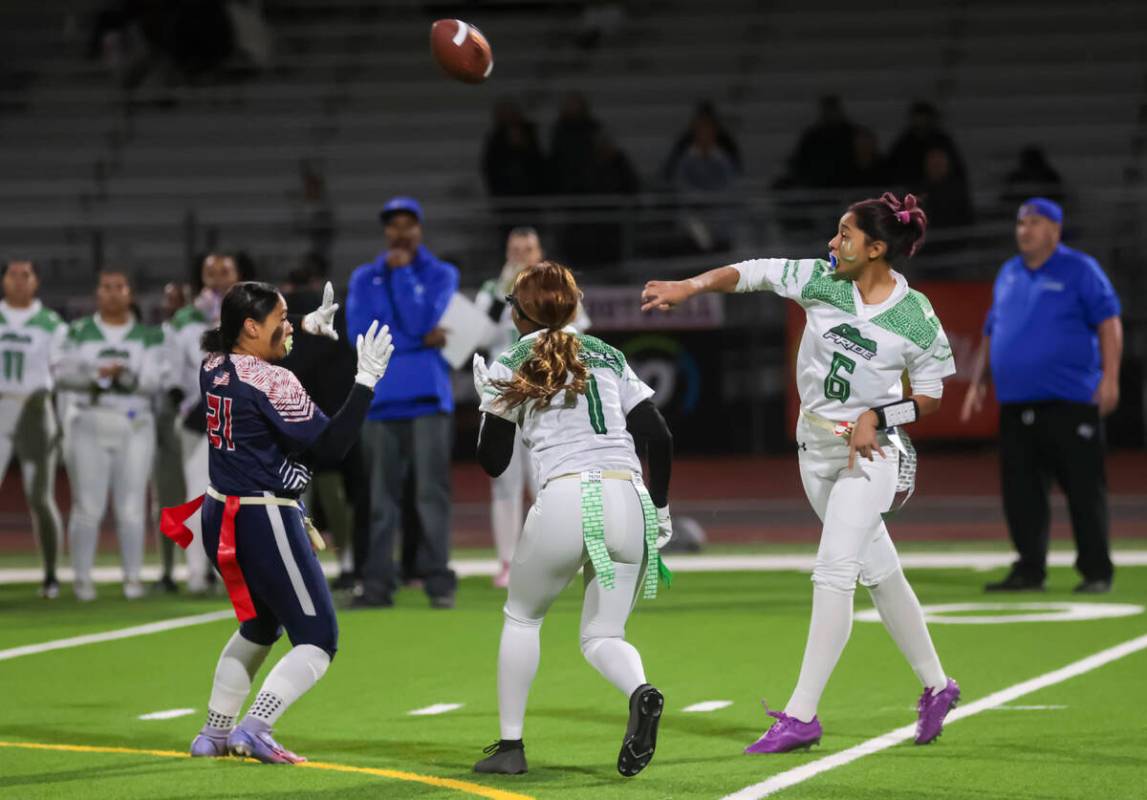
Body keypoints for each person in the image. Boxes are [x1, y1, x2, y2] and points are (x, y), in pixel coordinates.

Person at [641, 192, 960, 753]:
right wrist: (689, 286)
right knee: (880, 573)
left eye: (845, 235)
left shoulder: (915, 315)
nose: (832, 243)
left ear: (877, 248)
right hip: (814, 450)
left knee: (833, 572)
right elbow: (754, 273)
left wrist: (879, 415)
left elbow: (931, 396)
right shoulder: (822, 279)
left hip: (872, 454)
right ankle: (938, 685)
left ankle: (801, 715)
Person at [161, 281, 393, 763]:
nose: (288, 325)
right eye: (281, 319)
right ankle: (255, 726)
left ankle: (214, 732)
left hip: (219, 510)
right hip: (261, 516)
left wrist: (302, 329)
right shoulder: (274, 380)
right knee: (318, 638)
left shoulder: (213, 365)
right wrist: (365, 382)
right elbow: (330, 448)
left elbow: (238, 357)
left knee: (259, 624)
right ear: (250, 327)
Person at [472, 261, 673, 777]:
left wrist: (488, 407)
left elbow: (493, 463)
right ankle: (640, 690)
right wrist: (663, 506)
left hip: (566, 497)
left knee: (523, 617)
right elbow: (661, 436)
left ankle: (511, 746)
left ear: (518, 313)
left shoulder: (512, 359)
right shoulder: (608, 355)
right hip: (629, 497)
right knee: (604, 634)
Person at [962, 198, 1122, 594]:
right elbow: (991, 330)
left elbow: (1109, 322)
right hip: (1017, 404)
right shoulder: (1009, 273)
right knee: (1021, 494)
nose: (1024, 230)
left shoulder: (1080, 269)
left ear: (1054, 229)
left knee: (1083, 490)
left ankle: (1096, 570)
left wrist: (1111, 378)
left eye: (1034, 223)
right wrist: (978, 381)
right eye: (1020, 223)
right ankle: (1029, 569)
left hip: (1071, 402)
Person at [346, 196, 459, 609]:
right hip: (380, 399)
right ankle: (376, 583)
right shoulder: (363, 277)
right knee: (379, 499)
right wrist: (419, 341)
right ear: (385, 231)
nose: (400, 232)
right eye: (392, 224)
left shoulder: (442, 273)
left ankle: (437, 580)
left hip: (428, 399)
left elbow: (421, 319)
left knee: (431, 495)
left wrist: (406, 278)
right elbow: (360, 334)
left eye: (408, 224)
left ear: (419, 230)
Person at [474, 228, 591, 587]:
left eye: (528, 249)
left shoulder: (558, 291)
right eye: (515, 250)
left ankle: (554, 556)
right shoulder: (491, 292)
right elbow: (477, 335)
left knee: (548, 476)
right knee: (505, 482)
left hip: (547, 392)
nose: (522, 255)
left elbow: (579, 331)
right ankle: (507, 562)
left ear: (540, 251)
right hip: (505, 390)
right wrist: (508, 288)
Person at [54, 270, 167, 601]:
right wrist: (96, 375)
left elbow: (153, 381)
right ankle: (82, 579)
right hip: (89, 420)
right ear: (97, 294)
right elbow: (61, 373)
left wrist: (126, 375)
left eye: (119, 287)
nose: (113, 293)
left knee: (132, 507)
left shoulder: (150, 336)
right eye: (106, 287)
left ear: (130, 293)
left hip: (134, 423)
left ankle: (132, 578)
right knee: (87, 506)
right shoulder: (77, 331)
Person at [168, 252, 241, 592]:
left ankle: (239, 574)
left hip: (242, 417)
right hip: (199, 418)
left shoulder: (251, 310)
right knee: (198, 496)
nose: (218, 277)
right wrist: (187, 401)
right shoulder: (185, 318)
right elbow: (175, 369)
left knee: (243, 499)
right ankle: (197, 572)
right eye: (210, 271)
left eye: (225, 270)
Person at [0, 260, 67, 598]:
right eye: (12, 274)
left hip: (35, 409)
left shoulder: (50, 323)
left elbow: (60, 372)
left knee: (39, 496)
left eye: (25, 275)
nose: (18, 281)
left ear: (36, 281)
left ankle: (51, 574)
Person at [153, 280, 189, 593]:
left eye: (178, 299)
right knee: (167, 500)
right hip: (166, 421)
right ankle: (167, 568)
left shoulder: (196, 331)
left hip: (198, 421)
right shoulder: (159, 336)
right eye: (169, 299)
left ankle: (203, 570)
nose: (172, 304)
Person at [885, 101, 967, 188]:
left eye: (924, 119)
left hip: (941, 190)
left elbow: (956, 172)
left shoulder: (942, 141)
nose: (921, 122)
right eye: (918, 118)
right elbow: (893, 170)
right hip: (911, 190)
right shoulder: (904, 143)